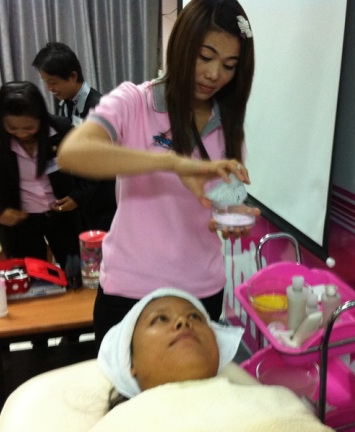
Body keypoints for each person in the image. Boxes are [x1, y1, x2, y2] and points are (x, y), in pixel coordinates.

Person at [57, 0, 259, 348]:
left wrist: (232, 213)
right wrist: (172, 163)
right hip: (129, 289)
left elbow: (220, 198)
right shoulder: (135, 101)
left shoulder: (228, 126)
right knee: (123, 383)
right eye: (205, 56)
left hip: (201, 291)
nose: (215, 74)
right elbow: (73, 153)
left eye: (229, 65)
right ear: (181, 46)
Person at [92, 288, 334, 432]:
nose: (183, 322)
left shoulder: (278, 401)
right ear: (130, 363)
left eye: (195, 317)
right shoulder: (119, 424)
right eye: (160, 319)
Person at [0, 81, 88, 269]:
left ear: (41, 118)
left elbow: (90, 165)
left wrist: (77, 196)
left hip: (63, 217)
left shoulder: (61, 129)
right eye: (12, 128)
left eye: (29, 128)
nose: (22, 134)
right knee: (31, 277)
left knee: (76, 274)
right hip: (20, 223)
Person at [32, 42, 117, 231]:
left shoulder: (99, 107)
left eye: (53, 82)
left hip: (101, 201)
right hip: (79, 196)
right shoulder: (64, 102)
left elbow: (100, 161)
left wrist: (79, 196)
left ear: (73, 76)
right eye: (45, 82)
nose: (49, 88)